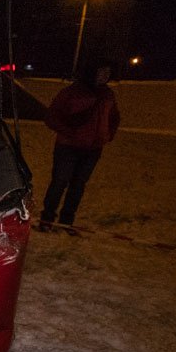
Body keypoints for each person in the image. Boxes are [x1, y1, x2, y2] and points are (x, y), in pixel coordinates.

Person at [37, 62, 120, 235]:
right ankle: (47, 219)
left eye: (107, 73)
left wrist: (107, 135)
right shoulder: (72, 92)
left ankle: (67, 221)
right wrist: (70, 133)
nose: (105, 76)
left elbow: (114, 118)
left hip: (93, 150)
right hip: (68, 148)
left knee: (78, 186)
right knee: (59, 182)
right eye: (101, 72)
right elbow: (52, 117)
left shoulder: (107, 95)